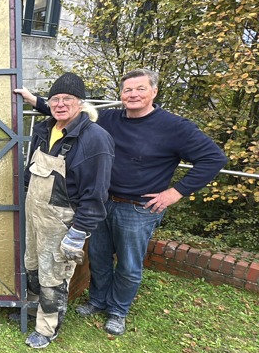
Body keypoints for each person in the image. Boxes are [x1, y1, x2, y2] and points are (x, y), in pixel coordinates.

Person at [16, 68, 227, 336]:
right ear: (121, 94)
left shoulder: (175, 127)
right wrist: (35, 100)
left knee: (128, 263)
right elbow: (69, 111)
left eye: (140, 89)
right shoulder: (110, 119)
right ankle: (98, 301)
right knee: (99, 257)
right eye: (127, 90)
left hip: (138, 207)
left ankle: (118, 311)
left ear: (154, 91)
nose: (133, 94)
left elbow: (214, 159)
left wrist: (175, 193)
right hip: (101, 201)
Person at [15, 73, 114, 348]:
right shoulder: (48, 128)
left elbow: (96, 194)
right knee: (33, 265)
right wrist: (33, 99)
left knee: (53, 275)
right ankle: (33, 310)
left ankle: (47, 329)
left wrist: (78, 232)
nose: (60, 104)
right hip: (36, 215)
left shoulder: (95, 140)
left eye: (67, 99)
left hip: (61, 220)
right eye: (55, 99)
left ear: (80, 103)